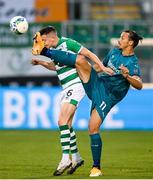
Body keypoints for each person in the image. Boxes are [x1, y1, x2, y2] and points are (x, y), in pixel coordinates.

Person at [32, 29, 143, 177]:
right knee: (80, 60)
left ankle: (96, 167)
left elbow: (139, 85)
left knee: (92, 128)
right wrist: (88, 70)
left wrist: (127, 76)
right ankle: (45, 52)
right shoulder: (114, 52)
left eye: (122, 38)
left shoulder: (132, 62)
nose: (119, 40)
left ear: (130, 43)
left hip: (108, 96)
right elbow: (98, 67)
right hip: (98, 84)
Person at [31, 26, 109, 176]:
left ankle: (66, 158)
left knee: (61, 121)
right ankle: (77, 158)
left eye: (44, 40)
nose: (43, 44)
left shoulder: (68, 43)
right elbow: (56, 67)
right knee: (67, 124)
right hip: (66, 88)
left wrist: (102, 66)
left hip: (76, 85)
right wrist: (40, 62)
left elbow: (88, 53)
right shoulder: (54, 52)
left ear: (51, 37)